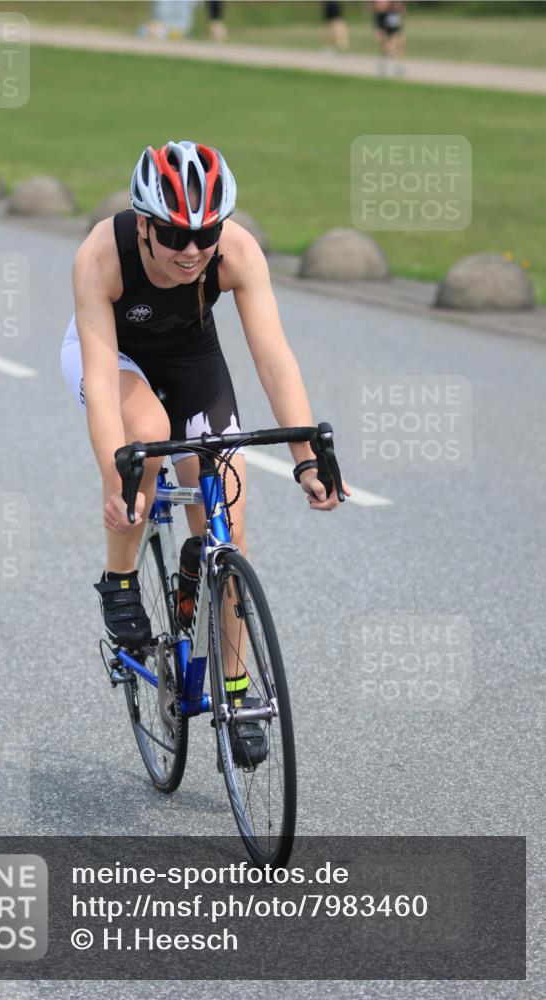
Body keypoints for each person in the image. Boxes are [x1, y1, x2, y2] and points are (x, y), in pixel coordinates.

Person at [62, 141, 349, 760]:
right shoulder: (100, 257)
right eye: (172, 234)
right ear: (143, 223)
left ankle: (238, 687)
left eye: (205, 233)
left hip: (193, 359)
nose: (191, 250)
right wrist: (118, 478)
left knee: (228, 529)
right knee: (147, 436)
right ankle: (118, 581)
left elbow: (273, 357)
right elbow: (104, 390)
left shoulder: (236, 252)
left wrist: (305, 457)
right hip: (119, 359)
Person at [373, 0, 406, 76]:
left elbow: (402, 9)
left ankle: (398, 67)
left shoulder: (395, 8)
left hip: (396, 28)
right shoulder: (383, 11)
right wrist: (378, 30)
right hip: (386, 29)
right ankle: (382, 66)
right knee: (386, 49)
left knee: (399, 47)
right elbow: (378, 15)